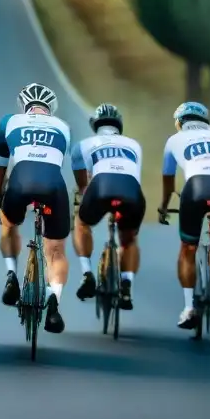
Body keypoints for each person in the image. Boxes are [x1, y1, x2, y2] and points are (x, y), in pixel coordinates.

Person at [0, 82, 72, 334]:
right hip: (53, 187)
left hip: (19, 184)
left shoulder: (9, 122)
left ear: (23, 105)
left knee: (9, 225)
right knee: (56, 249)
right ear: (51, 108)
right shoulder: (64, 126)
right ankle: (54, 304)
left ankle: (11, 276)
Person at [157, 101, 210, 330]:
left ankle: (189, 308)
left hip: (195, 189)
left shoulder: (174, 140)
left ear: (179, 122)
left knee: (187, 249)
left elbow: (168, 179)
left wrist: (164, 206)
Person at [70, 104, 146, 310]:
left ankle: (87, 274)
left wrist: (83, 195)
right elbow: (134, 176)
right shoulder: (134, 145)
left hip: (100, 188)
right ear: (118, 126)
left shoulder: (83, 145)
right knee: (129, 239)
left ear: (95, 126)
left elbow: (83, 185)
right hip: (131, 191)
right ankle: (127, 286)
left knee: (81, 222)